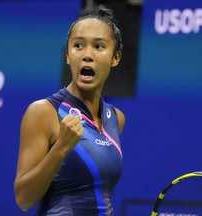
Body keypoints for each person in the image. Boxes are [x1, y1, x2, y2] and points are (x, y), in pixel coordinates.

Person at [14, 7, 125, 216]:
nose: (87, 55)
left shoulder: (116, 118)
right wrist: (61, 148)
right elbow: (23, 199)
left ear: (115, 57)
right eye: (78, 46)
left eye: (99, 46)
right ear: (67, 55)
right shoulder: (44, 112)